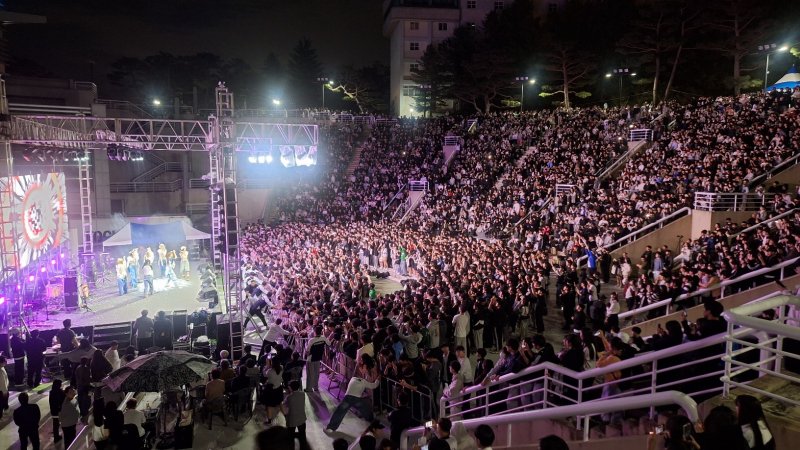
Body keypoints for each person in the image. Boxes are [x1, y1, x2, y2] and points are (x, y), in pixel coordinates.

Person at [325, 358, 380, 432]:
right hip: (356, 399)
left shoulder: (356, 379)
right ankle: (373, 422)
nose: (364, 370)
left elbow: (372, 384)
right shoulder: (361, 380)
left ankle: (331, 427)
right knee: (366, 408)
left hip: (349, 398)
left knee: (340, 411)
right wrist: (377, 380)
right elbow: (374, 385)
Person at [305, 325, 329, 392]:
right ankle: (315, 387)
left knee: (310, 374)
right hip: (318, 358)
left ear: (315, 332)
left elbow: (307, 351)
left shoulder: (311, 340)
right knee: (316, 373)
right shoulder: (323, 338)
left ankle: (309, 388)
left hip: (311, 358)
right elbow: (329, 344)